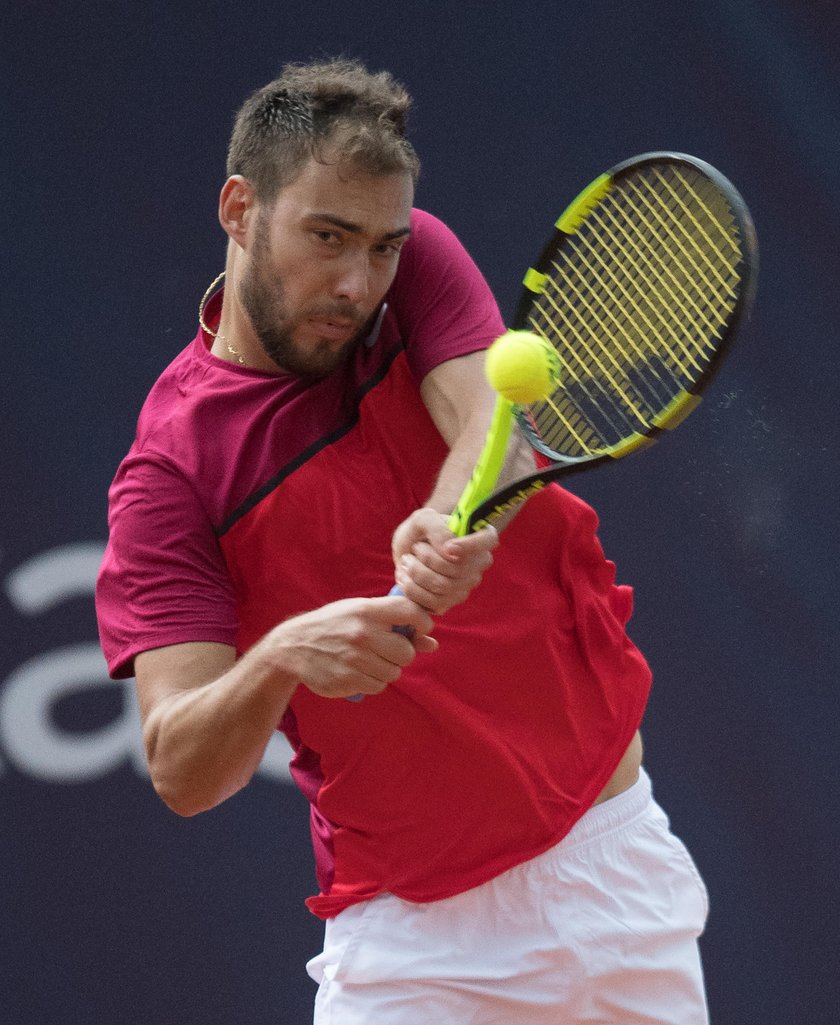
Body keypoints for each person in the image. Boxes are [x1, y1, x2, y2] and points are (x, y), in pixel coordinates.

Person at [95, 57, 710, 1024]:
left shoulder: (416, 263)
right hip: (418, 949)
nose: (356, 280)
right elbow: (181, 766)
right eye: (326, 236)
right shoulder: (168, 475)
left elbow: (491, 439)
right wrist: (284, 654)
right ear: (239, 207)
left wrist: (444, 515)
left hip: (619, 871)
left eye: (380, 245)